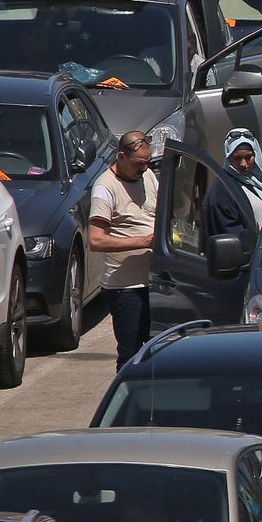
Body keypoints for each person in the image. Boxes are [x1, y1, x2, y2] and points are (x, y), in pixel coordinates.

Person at [89, 131, 158, 369]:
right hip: (125, 289)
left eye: (148, 162)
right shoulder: (105, 188)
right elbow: (96, 241)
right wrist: (144, 241)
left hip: (154, 283)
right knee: (131, 356)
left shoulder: (148, 176)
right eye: (139, 164)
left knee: (156, 352)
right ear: (121, 156)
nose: (145, 169)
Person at [205, 128, 262, 239]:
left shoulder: (255, 183)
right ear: (228, 158)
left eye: (248, 157)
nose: (243, 163)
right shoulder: (223, 189)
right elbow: (230, 234)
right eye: (237, 158)